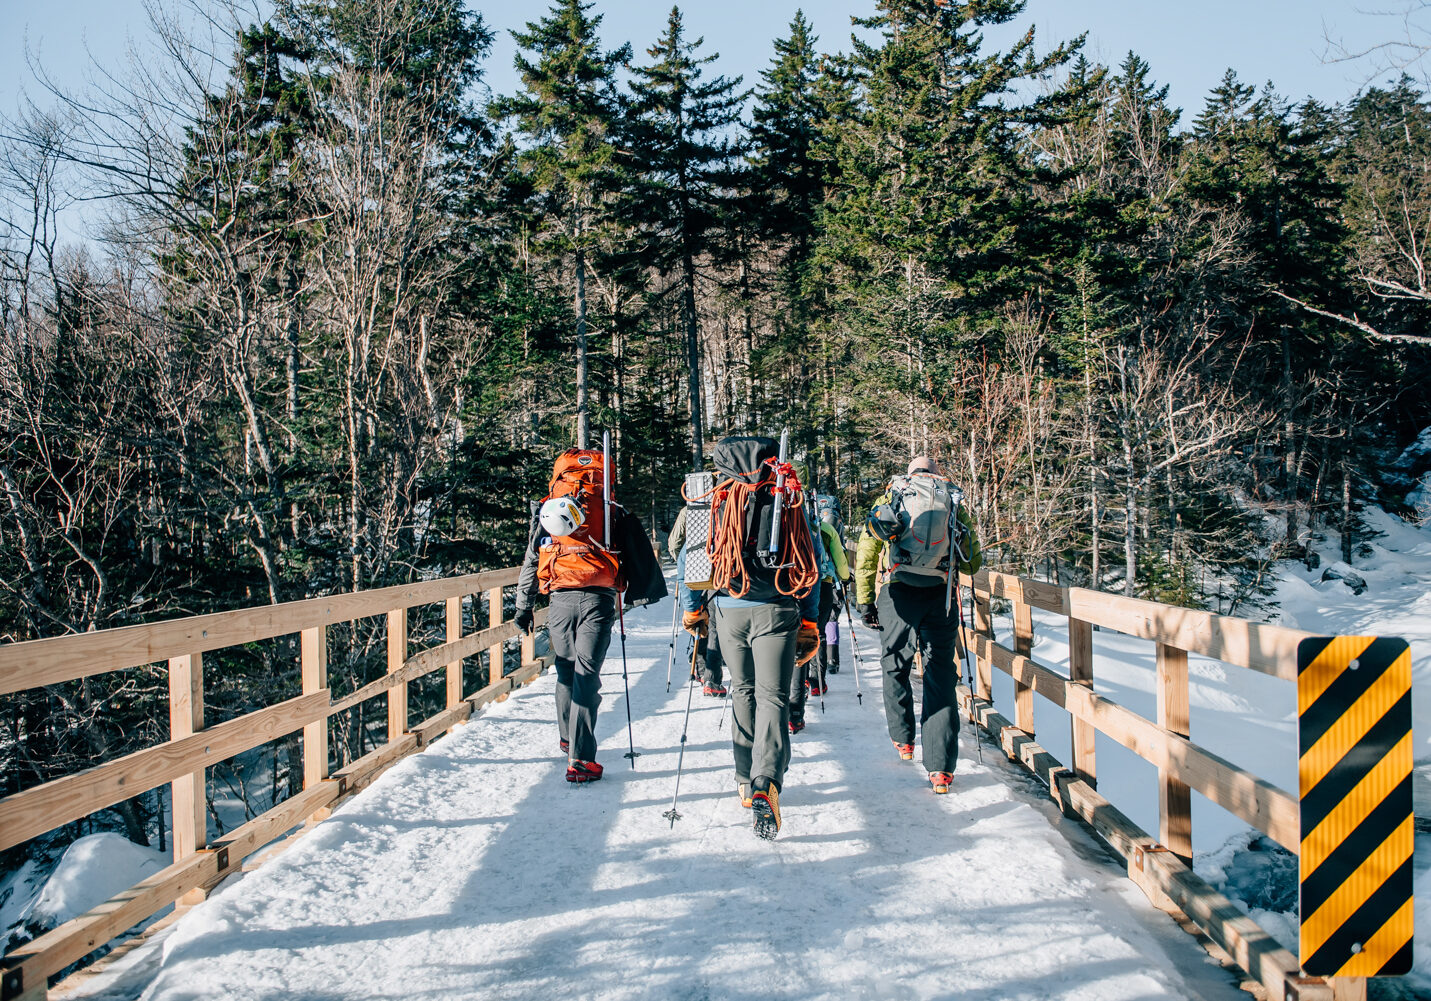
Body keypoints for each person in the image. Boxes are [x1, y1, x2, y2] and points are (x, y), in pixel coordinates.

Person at [679, 435, 821, 839]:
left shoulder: (710, 495)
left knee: (742, 690)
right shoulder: (786, 494)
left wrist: (694, 609)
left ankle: (744, 779)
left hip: (728, 609)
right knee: (772, 695)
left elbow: (692, 556)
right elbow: (813, 564)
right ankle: (767, 782)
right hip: (777, 607)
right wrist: (809, 621)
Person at [514, 447, 665, 783]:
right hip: (598, 598)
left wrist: (523, 606)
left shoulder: (547, 510)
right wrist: (639, 592)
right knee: (587, 673)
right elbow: (634, 553)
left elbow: (530, 560)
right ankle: (580, 758)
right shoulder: (610, 510)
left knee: (565, 669)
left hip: (559, 598)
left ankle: (568, 737)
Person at [853, 455, 981, 795]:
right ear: (937, 474)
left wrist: (865, 599)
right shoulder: (952, 500)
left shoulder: (893, 495)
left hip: (899, 594)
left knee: (895, 665)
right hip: (940, 596)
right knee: (940, 674)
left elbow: (867, 550)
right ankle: (940, 769)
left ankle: (903, 739)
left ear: (908, 474)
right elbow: (972, 562)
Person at [788, 481, 849, 734]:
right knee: (816, 633)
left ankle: (795, 694)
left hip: (789, 585)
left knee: (793, 639)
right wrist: (844, 579)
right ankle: (817, 682)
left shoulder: (787, 526)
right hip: (821, 586)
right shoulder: (825, 529)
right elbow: (840, 561)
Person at [670, 506, 726, 696]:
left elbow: (674, 542)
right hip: (722, 572)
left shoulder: (690, 509)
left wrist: (684, 564)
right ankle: (711, 677)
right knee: (715, 626)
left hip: (696, 568)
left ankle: (699, 668)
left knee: (699, 619)